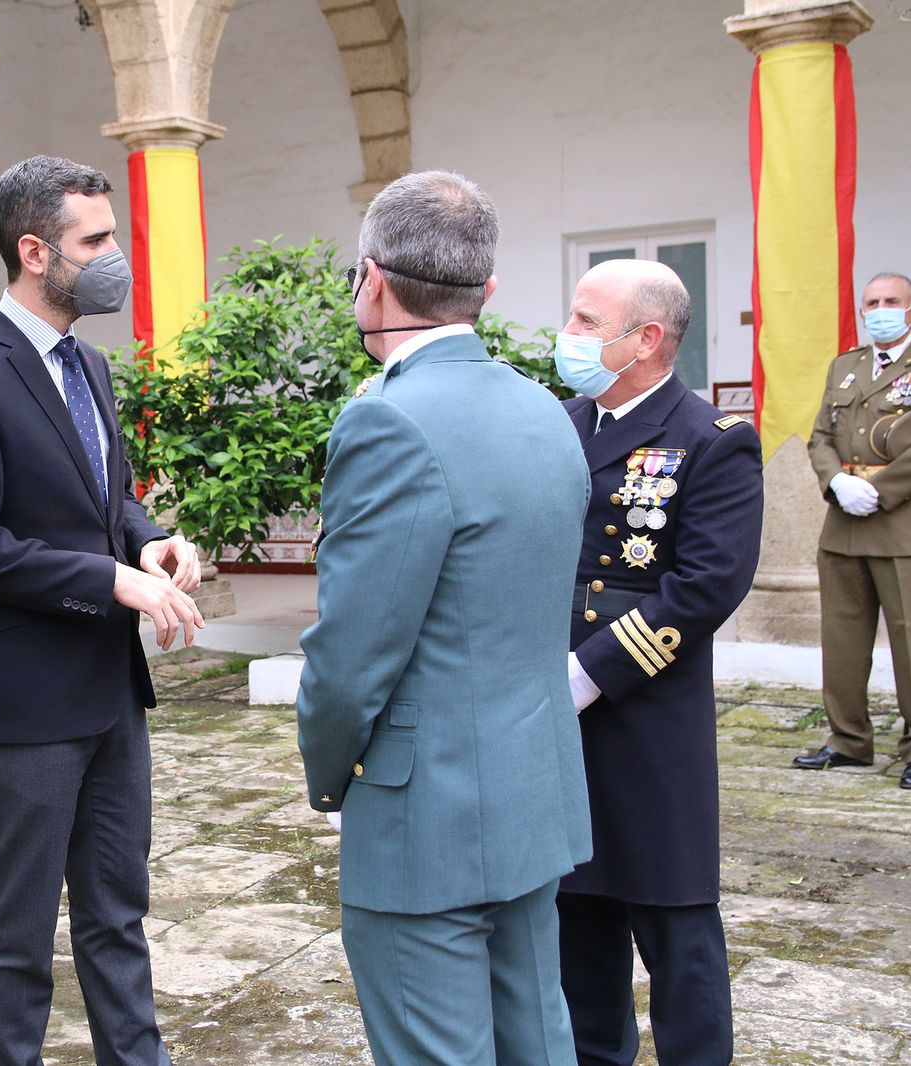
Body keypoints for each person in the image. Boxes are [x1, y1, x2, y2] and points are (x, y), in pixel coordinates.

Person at [0, 155, 204, 1066]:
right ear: (35, 252)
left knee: (120, 915)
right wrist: (110, 580)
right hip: (21, 704)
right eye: (97, 241)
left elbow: (101, 502)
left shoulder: (92, 366)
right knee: (19, 933)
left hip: (110, 693)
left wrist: (147, 541)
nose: (116, 256)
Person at [296, 169, 592, 1065]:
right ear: (487, 289)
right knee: (536, 1039)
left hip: (425, 810)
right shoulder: (546, 409)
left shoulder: (387, 421)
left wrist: (329, 772)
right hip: (532, 789)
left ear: (371, 280)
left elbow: (350, 657)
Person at [554, 258, 763, 1065]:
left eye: (583, 322)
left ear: (644, 339)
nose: (566, 336)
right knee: (577, 921)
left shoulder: (712, 440)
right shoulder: (560, 424)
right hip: (554, 713)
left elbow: (706, 587)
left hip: (645, 719)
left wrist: (587, 672)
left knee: (676, 930)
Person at [796, 272, 911, 787]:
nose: (880, 310)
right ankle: (847, 740)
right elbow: (821, 435)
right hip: (846, 523)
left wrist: (885, 487)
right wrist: (836, 483)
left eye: (891, 301)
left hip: (905, 524)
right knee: (843, 639)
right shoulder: (846, 365)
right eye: (871, 302)